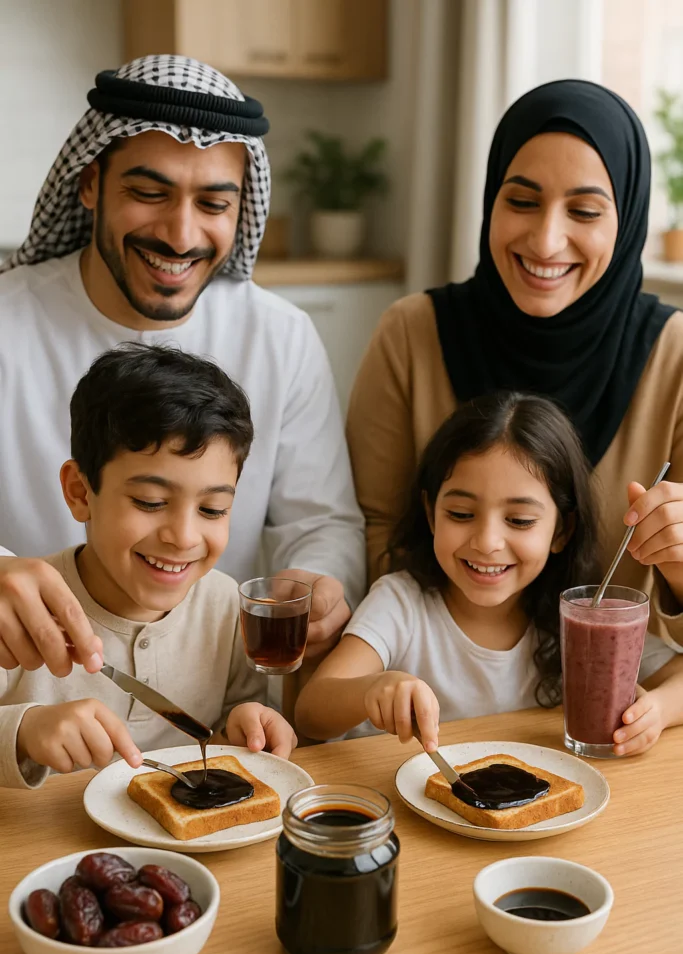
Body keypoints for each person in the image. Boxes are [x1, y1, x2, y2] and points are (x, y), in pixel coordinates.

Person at [0, 54, 364, 679]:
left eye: (214, 204)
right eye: (148, 193)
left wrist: (319, 581)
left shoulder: (281, 337)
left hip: (207, 684)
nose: (180, 233)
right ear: (89, 184)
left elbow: (321, 519)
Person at [346, 79, 683, 648]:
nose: (547, 241)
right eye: (522, 201)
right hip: (437, 699)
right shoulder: (411, 333)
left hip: (615, 713)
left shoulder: (674, 357)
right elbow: (371, 536)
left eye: (584, 211)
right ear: (489, 202)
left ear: (625, 223)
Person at [298, 393, 683, 755]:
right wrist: (372, 690)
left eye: (519, 520)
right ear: (431, 513)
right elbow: (311, 710)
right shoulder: (401, 602)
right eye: (461, 515)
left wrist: (660, 710)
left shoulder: (580, 617)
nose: (487, 542)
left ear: (561, 531)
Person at [0, 343, 297, 789]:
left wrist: (243, 727)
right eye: (150, 502)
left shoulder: (224, 605)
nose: (183, 536)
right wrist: (24, 733)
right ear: (81, 492)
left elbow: (225, 730)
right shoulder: (19, 602)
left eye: (213, 509)